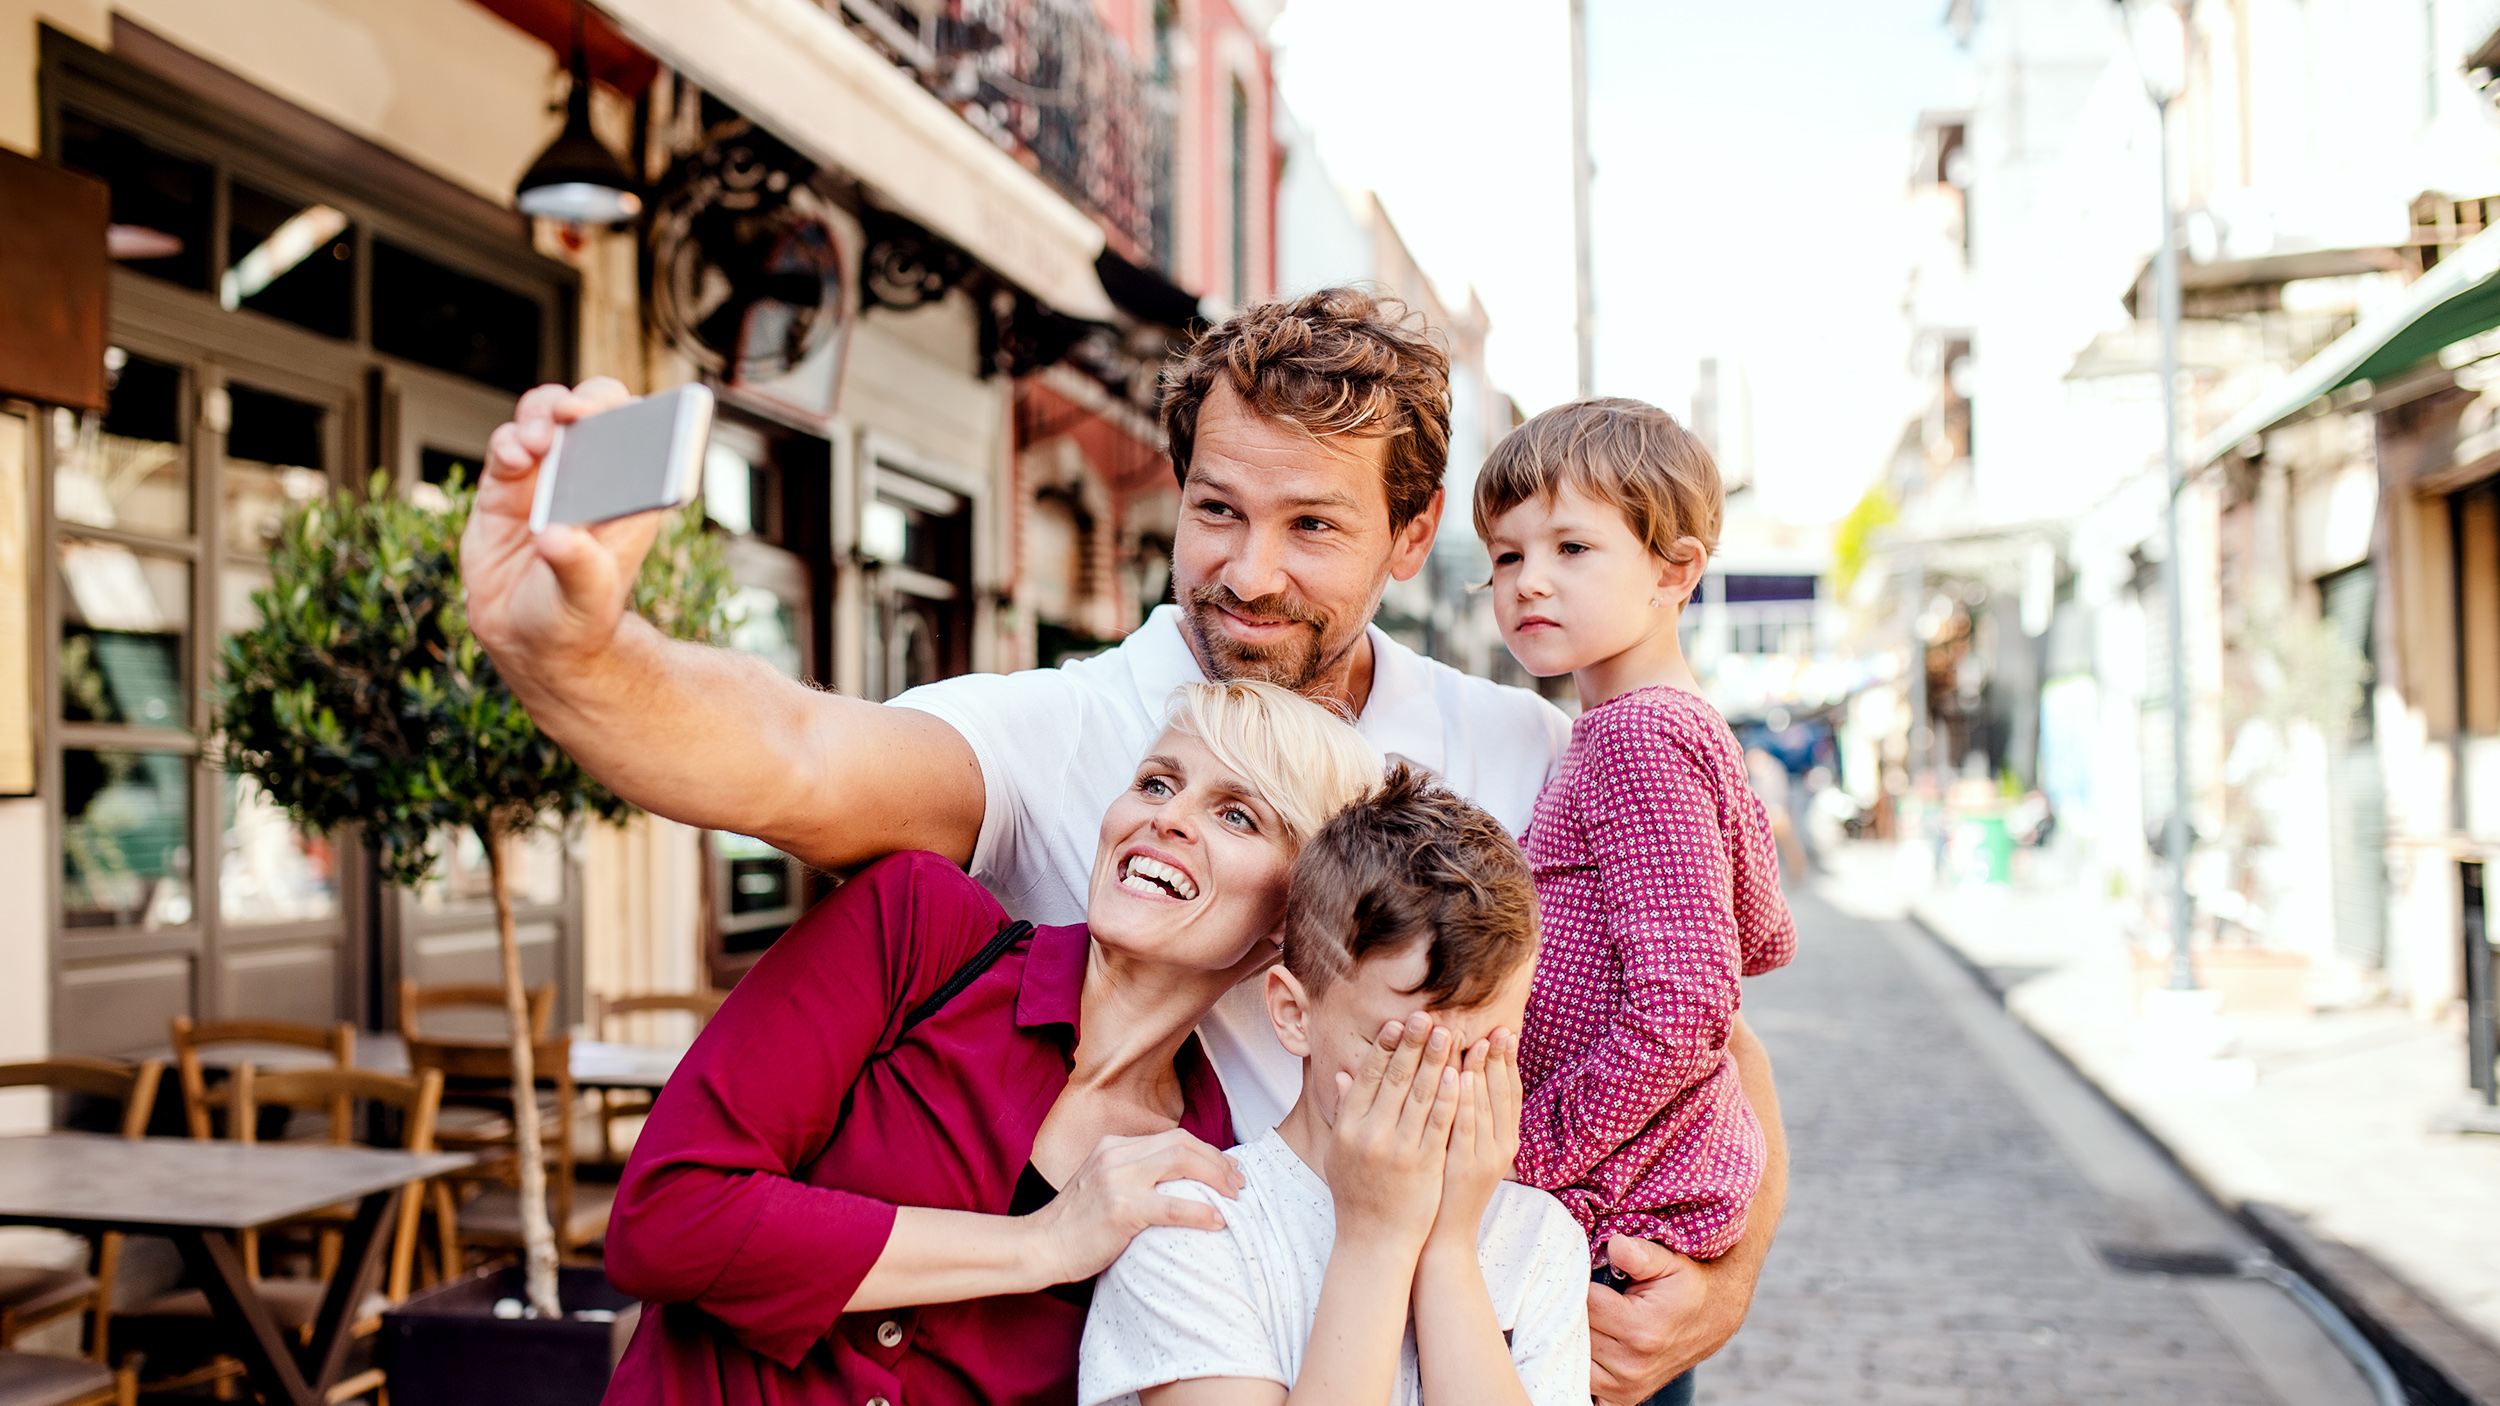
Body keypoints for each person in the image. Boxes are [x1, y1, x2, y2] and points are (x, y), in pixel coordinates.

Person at [464, 288, 1786, 1401]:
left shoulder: (1521, 748)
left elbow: (1703, 1024)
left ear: (1415, 533)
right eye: (1217, 510)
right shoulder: (1074, 724)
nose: (1249, 571)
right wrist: (574, 650)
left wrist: (1727, 1270)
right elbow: (796, 754)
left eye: (1312, 523)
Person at [601, 681, 1383, 1406]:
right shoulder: (920, 926)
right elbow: (664, 1221)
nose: (1169, 818)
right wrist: (1040, 1246)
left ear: (1291, 917)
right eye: (1156, 782)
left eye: (1237, 815)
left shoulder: (1203, 1176)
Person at [1474, 399, 1799, 1406]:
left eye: (1572, 545)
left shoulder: (1632, 739)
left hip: (1602, 1218)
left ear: (1674, 569)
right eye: (1503, 553)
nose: (1529, 578)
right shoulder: (1661, 727)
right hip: (1623, 1211)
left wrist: (1523, 1155)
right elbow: (1758, 934)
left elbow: (1687, 1004)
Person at [1080, 768, 1588, 1406]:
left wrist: (1449, 1250)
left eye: (1482, 1053)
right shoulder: (1190, 1227)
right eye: (1401, 1049)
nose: (1441, 1088)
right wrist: (1376, 1238)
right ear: (1296, 1015)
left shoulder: (1538, 1238)